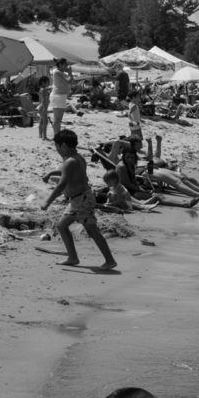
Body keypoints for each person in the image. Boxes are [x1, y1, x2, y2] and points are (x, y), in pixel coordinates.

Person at [40, 129, 117, 271]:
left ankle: (110, 260)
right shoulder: (77, 158)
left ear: (63, 146)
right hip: (78, 200)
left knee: (92, 230)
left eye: (56, 147)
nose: (57, 150)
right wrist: (51, 172)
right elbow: (66, 172)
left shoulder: (70, 161)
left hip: (82, 200)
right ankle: (72, 257)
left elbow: (62, 183)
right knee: (62, 226)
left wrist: (47, 201)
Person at [50, 58, 74, 133]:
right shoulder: (57, 72)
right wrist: (70, 72)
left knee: (58, 119)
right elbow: (68, 82)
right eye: (65, 65)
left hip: (61, 96)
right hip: (58, 96)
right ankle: (56, 136)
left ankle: (57, 135)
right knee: (57, 119)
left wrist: (69, 73)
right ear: (60, 65)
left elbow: (71, 81)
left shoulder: (60, 72)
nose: (66, 66)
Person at [37, 76, 51, 140]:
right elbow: (43, 100)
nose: (49, 83)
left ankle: (40, 134)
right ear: (43, 82)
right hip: (43, 107)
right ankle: (44, 136)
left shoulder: (41, 89)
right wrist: (45, 109)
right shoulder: (44, 90)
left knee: (41, 121)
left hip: (40, 106)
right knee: (45, 122)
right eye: (48, 82)